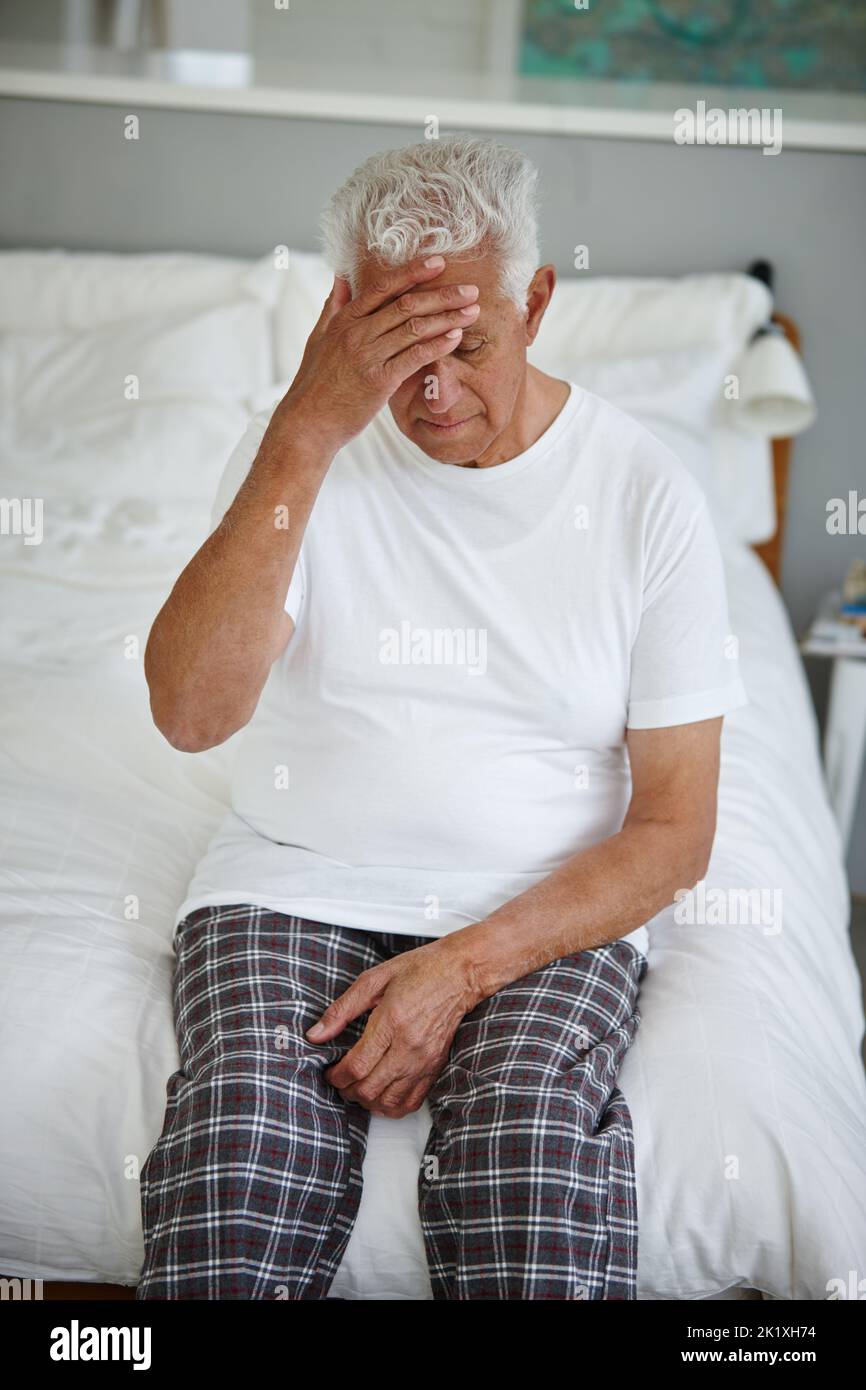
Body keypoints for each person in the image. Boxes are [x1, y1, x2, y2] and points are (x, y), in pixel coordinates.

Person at [137, 134, 746, 1301]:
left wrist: (457, 969)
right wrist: (304, 436)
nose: (431, 391)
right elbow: (189, 715)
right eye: (394, 347)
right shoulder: (296, 457)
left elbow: (675, 832)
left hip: (537, 899)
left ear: (537, 300)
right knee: (237, 1138)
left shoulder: (643, 490)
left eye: (466, 344)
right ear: (341, 313)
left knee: (522, 1144)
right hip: (291, 876)